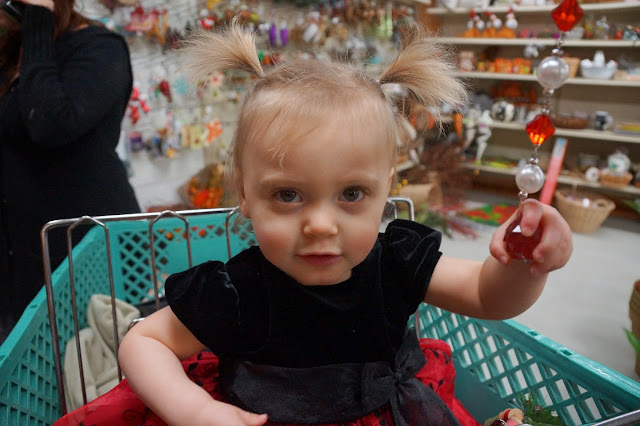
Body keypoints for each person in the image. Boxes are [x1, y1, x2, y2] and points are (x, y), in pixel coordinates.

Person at [56, 21, 572, 426]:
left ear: (386, 189)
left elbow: (487, 296)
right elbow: (143, 342)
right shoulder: (238, 290)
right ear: (245, 194)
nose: (321, 225)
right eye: (287, 195)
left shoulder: (395, 261)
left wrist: (524, 264)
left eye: (352, 194)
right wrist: (196, 411)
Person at [0, 0, 140, 343]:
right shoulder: (12, 52)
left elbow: (50, 123)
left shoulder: (98, 47)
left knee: (96, 364)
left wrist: (38, 25)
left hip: (89, 249)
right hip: (25, 258)